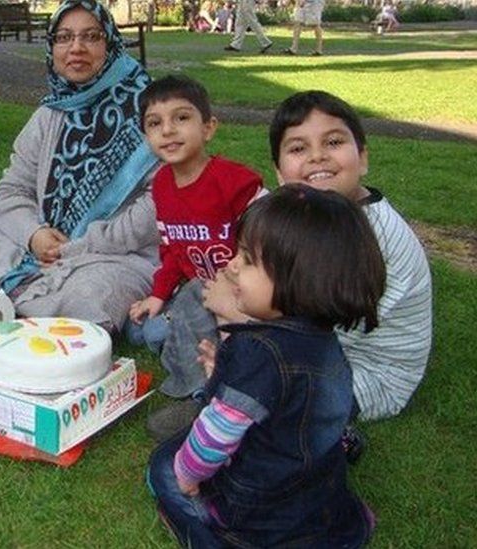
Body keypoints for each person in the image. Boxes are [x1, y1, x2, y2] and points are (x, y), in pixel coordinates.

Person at [147, 184, 384, 548]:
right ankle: (346, 526)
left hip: (259, 517)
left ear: (297, 278)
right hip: (317, 501)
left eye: (248, 259)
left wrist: (186, 475)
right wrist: (222, 378)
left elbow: (216, 434)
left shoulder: (256, 351)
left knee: (163, 466)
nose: (231, 266)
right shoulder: (325, 342)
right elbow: (300, 409)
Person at [0, 0, 159, 332]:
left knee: (94, 298)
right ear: (52, 48)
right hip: (38, 246)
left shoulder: (149, 111)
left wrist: (80, 245)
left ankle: (2, 308)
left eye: (91, 36)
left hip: (114, 254)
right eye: (64, 38)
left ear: (110, 43)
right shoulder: (49, 115)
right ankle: (31, 311)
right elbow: (12, 191)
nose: (76, 48)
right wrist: (34, 234)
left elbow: (159, 202)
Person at [205, 90, 433, 424]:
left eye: (334, 142)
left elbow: (314, 334)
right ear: (280, 173)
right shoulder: (312, 219)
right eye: (298, 148)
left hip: (370, 374)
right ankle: (227, 379)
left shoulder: (367, 235)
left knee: (258, 377)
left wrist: (233, 317)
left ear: (364, 157)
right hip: (328, 346)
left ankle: (225, 397)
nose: (317, 157)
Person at [125, 75, 264, 407]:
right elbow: (172, 250)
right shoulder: (161, 185)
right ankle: (189, 335)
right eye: (155, 123)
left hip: (241, 295)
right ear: (146, 137)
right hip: (200, 291)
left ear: (208, 127)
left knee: (176, 327)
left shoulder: (234, 181)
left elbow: (268, 244)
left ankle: (201, 388)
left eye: (182, 118)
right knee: (141, 330)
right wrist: (158, 296)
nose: (168, 130)